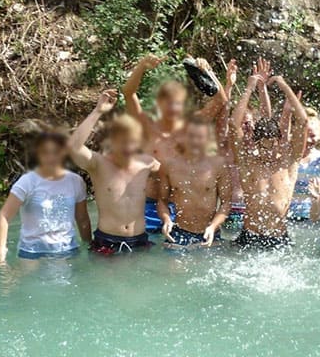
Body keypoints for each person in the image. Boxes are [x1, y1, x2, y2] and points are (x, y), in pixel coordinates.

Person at [121, 54, 226, 233]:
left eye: (177, 103)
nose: (172, 107)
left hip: (181, 209)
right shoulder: (146, 127)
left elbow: (221, 100)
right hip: (147, 207)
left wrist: (207, 71)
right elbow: (128, 93)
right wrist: (141, 66)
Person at [68, 90, 160, 255]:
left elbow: (174, 175)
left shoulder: (147, 164)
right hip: (107, 242)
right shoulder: (98, 164)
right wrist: (98, 111)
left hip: (140, 242)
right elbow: (73, 147)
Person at [231, 66, 307, 250]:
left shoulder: (288, 163)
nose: (268, 153)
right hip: (249, 237)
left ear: (279, 142)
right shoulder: (248, 163)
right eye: (263, 147)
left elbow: (303, 121)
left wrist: (283, 85)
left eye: (272, 146)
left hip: (278, 239)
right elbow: (233, 125)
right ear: (256, 144)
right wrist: (249, 88)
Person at [0, 131, 92, 263]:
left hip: (68, 250)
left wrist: (88, 247)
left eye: (56, 152)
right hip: (32, 252)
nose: (51, 157)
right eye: (45, 152)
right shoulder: (27, 181)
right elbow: (4, 216)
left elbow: (82, 218)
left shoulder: (76, 181)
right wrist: (1, 251)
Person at [158, 116, 231, 250]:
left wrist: (213, 226)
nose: (195, 141)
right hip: (178, 233)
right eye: (191, 136)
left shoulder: (218, 165)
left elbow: (226, 202)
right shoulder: (169, 165)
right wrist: (167, 220)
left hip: (210, 233)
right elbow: (162, 200)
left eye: (200, 137)